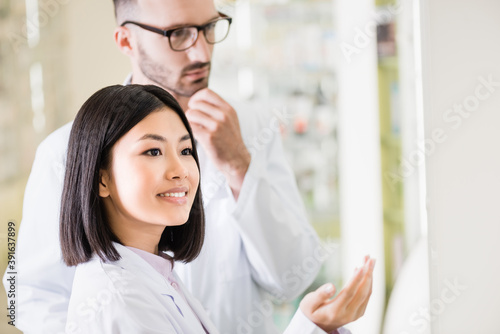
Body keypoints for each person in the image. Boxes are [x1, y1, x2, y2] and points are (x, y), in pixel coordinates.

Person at [4, 0, 328, 333]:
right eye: (179, 33)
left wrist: (239, 166)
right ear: (126, 41)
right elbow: (27, 295)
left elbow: (295, 278)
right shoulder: (68, 150)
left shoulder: (250, 128)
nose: (202, 52)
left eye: (210, 28)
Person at [61, 84, 375, 334]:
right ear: (101, 178)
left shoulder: (153, 272)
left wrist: (313, 324)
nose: (180, 169)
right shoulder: (120, 302)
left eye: (185, 150)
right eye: (153, 151)